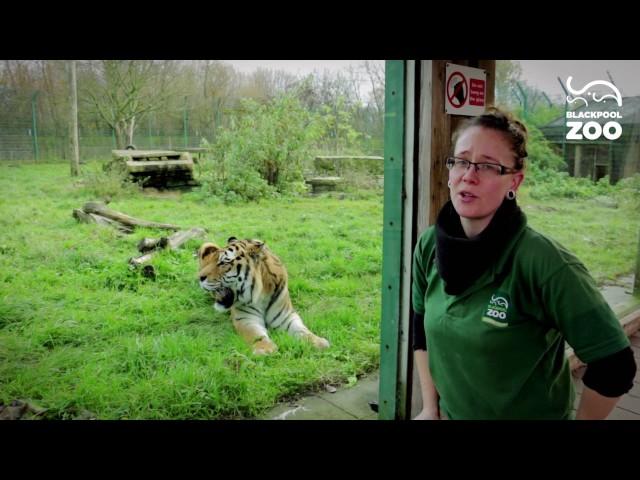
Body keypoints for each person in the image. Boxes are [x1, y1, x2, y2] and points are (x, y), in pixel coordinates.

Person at [411, 107, 637, 420]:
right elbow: (420, 326)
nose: (469, 175)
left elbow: (615, 366)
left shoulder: (545, 263)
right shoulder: (429, 245)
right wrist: (430, 408)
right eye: (461, 161)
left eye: (488, 166)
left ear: (514, 181)